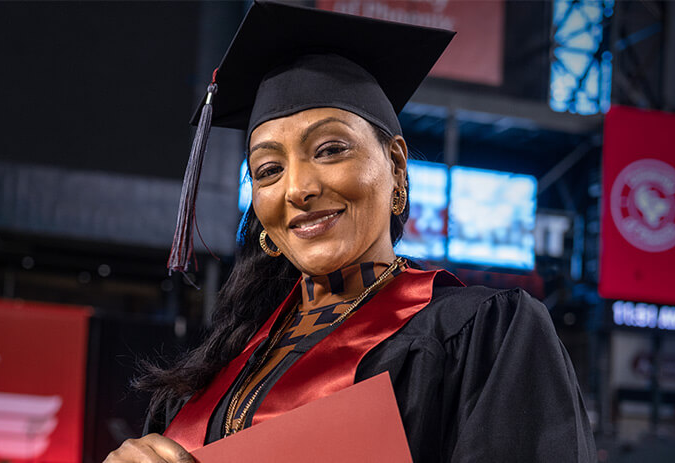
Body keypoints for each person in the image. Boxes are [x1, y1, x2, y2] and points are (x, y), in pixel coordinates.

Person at [105, 2, 596, 462]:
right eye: (269, 169)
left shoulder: (478, 337)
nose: (298, 187)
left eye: (330, 149)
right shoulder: (212, 376)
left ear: (397, 169)